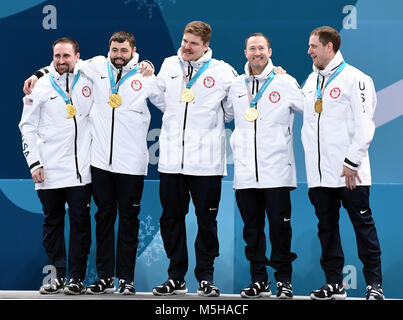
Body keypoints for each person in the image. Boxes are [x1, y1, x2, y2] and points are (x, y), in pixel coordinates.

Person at [23, 31, 162, 295]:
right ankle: (104, 278)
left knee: (129, 221)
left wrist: (151, 67)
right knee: (103, 221)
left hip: (131, 164)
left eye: (123, 50)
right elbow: (62, 64)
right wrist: (38, 74)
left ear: (133, 50)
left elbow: (168, 102)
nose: (118, 55)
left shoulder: (146, 77)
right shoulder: (96, 67)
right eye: (114, 50)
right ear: (108, 49)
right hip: (99, 164)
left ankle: (126, 279)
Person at [151, 21, 237, 297]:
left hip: (207, 163)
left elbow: (232, 110)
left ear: (206, 46)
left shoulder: (223, 72)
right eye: (185, 41)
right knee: (170, 220)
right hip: (172, 162)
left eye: (193, 44)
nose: (186, 47)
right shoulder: (169, 65)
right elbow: (161, 99)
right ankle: (176, 276)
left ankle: (206, 277)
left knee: (206, 222)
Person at [302, 26, 384, 300]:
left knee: (363, 227)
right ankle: (334, 284)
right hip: (320, 175)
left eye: (313, 46)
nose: (309, 51)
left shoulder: (356, 79)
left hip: (350, 173)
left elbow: (365, 125)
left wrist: (351, 162)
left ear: (329, 47)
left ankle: (374, 285)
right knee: (326, 229)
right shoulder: (311, 81)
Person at [227, 33, 303, 299]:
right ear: (244, 52)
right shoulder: (235, 85)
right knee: (252, 231)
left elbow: (309, 106)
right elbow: (224, 112)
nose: (257, 52)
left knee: (280, 230)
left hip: (277, 172)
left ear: (270, 51)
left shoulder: (285, 81)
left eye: (261, 48)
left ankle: (283, 280)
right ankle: (259, 280)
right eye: (252, 49)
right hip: (246, 173)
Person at [19, 37, 93, 295]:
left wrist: (147, 63)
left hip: (80, 171)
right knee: (52, 224)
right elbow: (26, 127)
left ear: (77, 57)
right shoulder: (39, 86)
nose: (62, 61)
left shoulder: (88, 77)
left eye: (66, 56)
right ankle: (57, 275)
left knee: (81, 224)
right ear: (52, 58)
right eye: (57, 57)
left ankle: (76, 278)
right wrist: (34, 163)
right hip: (47, 170)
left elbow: (116, 63)